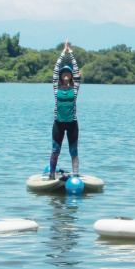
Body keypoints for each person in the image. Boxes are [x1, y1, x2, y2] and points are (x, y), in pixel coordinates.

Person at [48, 40, 81, 180]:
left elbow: (75, 67)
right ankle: (51, 175)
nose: (66, 74)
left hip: (72, 123)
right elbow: (56, 68)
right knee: (55, 151)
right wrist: (63, 52)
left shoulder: (75, 87)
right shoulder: (56, 88)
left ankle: (75, 175)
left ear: (71, 75)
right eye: (64, 73)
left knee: (73, 151)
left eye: (68, 72)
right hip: (58, 124)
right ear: (60, 76)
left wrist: (71, 52)